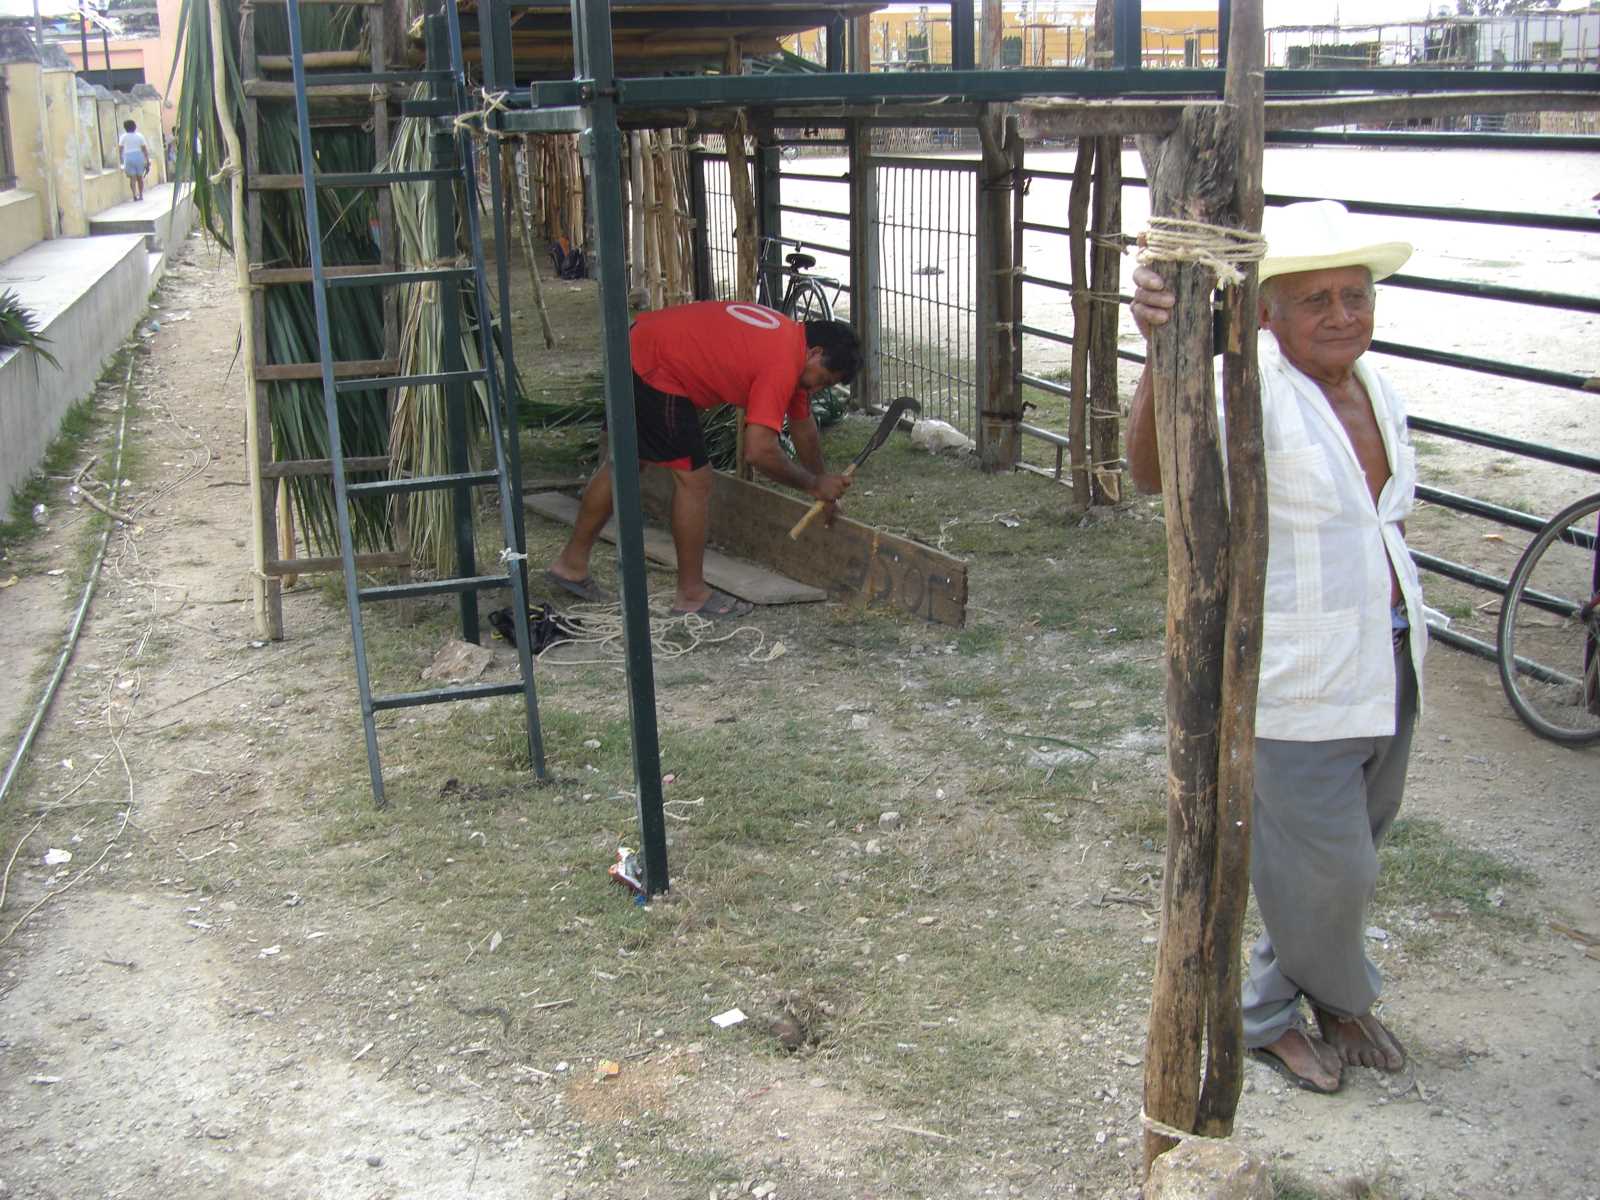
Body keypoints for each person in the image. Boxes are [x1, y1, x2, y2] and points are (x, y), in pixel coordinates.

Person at [1127, 200, 1430, 1095]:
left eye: (1356, 294)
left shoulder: (1377, 388)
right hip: (1295, 676)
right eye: (1317, 300)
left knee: (1350, 852)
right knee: (1331, 870)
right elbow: (1153, 471)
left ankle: (1320, 998)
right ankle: (1275, 1016)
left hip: (1391, 655)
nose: (1343, 316)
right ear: (1269, 312)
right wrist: (1161, 349)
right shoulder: (1242, 383)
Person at [547, 300, 860, 618]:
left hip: (641, 344)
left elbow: (803, 428)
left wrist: (824, 488)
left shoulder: (789, 341)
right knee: (695, 481)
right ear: (815, 353)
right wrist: (811, 484)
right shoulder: (782, 362)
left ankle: (571, 565)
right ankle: (692, 595)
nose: (818, 388)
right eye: (824, 379)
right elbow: (759, 451)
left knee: (626, 464)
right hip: (658, 367)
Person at [118, 119, 151, 202]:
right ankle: (141, 195)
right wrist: (147, 160)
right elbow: (144, 149)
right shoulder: (140, 136)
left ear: (125, 128)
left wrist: (120, 158)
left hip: (128, 157)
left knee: (132, 178)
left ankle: (134, 195)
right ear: (135, 127)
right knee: (140, 177)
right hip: (139, 156)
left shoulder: (123, 137)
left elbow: (120, 148)